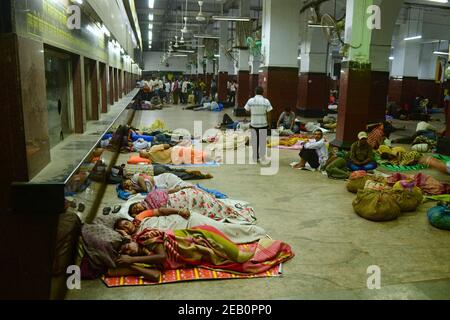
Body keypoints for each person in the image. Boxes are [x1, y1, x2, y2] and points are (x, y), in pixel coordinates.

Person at [110, 226, 294, 282]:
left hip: (201, 236)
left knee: (241, 257)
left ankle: (275, 246)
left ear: (131, 239)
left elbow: (162, 257)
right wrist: (132, 263)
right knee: (238, 264)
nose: (128, 251)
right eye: (125, 252)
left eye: (126, 247)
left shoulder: (146, 237)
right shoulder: (142, 259)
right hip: (198, 254)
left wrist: (132, 258)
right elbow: (156, 275)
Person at [114, 208, 267, 245]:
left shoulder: (139, 218)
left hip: (189, 221)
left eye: (126, 224)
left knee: (223, 231)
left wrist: (179, 210)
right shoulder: (135, 239)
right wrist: (123, 234)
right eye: (124, 228)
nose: (128, 227)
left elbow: (160, 210)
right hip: (186, 235)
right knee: (217, 241)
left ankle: (254, 232)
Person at [128, 188, 256, 224]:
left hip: (186, 194)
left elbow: (168, 191)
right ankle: (229, 212)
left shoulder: (150, 195)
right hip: (185, 203)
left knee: (211, 202)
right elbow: (162, 210)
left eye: (136, 207)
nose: (138, 209)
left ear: (138, 202)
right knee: (210, 208)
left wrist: (185, 187)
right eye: (136, 211)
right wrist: (179, 211)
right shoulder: (150, 211)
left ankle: (229, 211)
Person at [244, 86, 273, 163]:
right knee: (262, 141)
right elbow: (269, 113)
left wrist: (252, 112)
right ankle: (262, 156)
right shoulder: (266, 101)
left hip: (254, 124)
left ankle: (255, 157)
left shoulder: (251, 100)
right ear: (263, 92)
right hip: (263, 124)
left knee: (255, 141)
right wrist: (269, 123)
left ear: (255, 92)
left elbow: (246, 110)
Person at [122, 172, 193, 194]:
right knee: (179, 190)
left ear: (127, 179)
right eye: (126, 186)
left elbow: (145, 189)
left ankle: (191, 186)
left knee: (181, 184)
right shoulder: (135, 185)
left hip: (163, 179)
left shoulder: (135, 177)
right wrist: (131, 190)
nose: (127, 185)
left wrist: (134, 189)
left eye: (125, 183)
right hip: (159, 185)